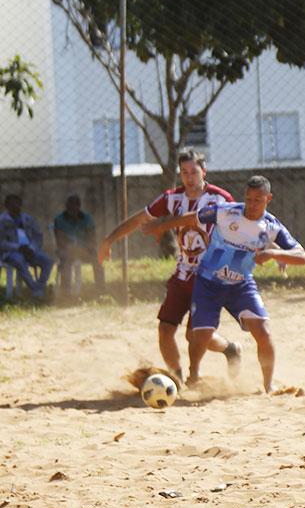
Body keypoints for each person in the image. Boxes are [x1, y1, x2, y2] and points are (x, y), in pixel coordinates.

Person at [126, 174, 305, 393]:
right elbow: (192, 218)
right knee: (200, 334)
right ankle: (193, 376)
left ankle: (268, 385)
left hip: (241, 285)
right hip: (208, 283)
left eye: (257, 200)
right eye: (248, 199)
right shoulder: (227, 212)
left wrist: (272, 254)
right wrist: (162, 226)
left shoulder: (271, 226)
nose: (251, 204)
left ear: (268, 198)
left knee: (263, 331)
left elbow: (301, 256)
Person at [98, 149, 240, 385]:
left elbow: (239, 228)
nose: (189, 177)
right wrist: (109, 240)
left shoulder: (220, 198)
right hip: (183, 274)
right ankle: (177, 377)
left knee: (194, 335)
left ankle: (229, 349)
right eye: (184, 172)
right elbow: (139, 220)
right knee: (165, 329)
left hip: (210, 277)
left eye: (194, 172)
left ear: (203, 171)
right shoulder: (171, 198)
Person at [0, 193, 54, 299]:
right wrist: (18, 247)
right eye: (12, 205)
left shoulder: (28, 219)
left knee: (47, 261)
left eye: (17, 204)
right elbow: (1, 243)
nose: (15, 206)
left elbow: (38, 236)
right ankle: (36, 290)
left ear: (21, 205)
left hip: (30, 249)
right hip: (11, 252)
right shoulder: (0, 222)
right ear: (6, 206)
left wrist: (31, 248)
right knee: (20, 261)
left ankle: (39, 286)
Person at [52, 194, 105, 293]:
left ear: (79, 207)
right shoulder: (59, 219)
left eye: (74, 206)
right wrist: (71, 248)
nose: (71, 209)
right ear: (66, 206)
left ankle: (100, 288)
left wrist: (83, 248)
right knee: (66, 260)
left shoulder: (87, 219)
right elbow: (60, 240)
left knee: (98, 260)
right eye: (69, 206)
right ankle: (66, 290)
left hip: (84, 249)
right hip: (66, 250)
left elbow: (92, 238)